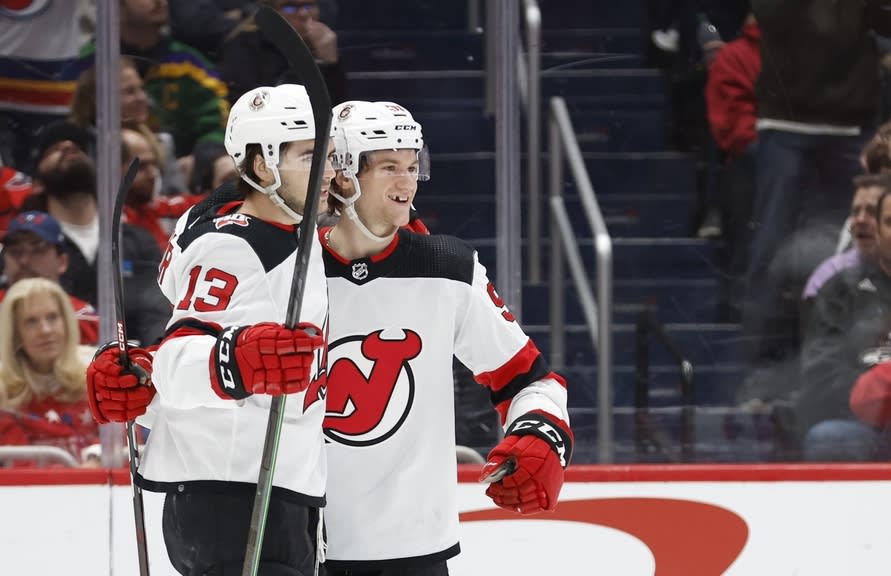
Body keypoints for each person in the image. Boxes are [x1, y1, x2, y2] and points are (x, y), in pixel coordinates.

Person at [315, 100, 573, 574]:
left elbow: (529, 380)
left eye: (413, 166)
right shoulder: (291, 271)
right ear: (343, 174)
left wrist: (539, 432)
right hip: (302, 544)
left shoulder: (447, 268)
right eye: (390, 167)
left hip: (413, 545)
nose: (407, 181)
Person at [87, 83, 333, 575]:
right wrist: (235, 361)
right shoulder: (235, 245)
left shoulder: (293, 234)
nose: (329, 173)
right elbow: (179, 356)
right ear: (263, 167)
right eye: (311, 157)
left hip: (276, 491)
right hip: (232, 500)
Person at [797, 189, 891, 461]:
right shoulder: (842, 290)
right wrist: (876, 393)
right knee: (829, 439)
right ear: (878, 231)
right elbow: (820, 378)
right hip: (867, 424)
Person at [0, 277, 98, 465]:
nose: (45, 330)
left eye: (52, 317)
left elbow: (122, 437)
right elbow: (21, 471)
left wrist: (97, 459)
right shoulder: (3, 393)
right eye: (31, 322)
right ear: (15, 333)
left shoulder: (97, 372)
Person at [218, 0, 347, 107]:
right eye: (289, 7)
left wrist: (330, 63)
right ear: (270, 12)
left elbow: (339, 106)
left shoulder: (322, 43)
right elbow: (249, 102)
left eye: (308, 6)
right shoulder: (244, 44)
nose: (303, 14)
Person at [0, 211, 99, 345]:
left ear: (62, 262)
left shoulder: (83, 319)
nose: (24, 260)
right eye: (15, 251)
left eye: (38, 250)